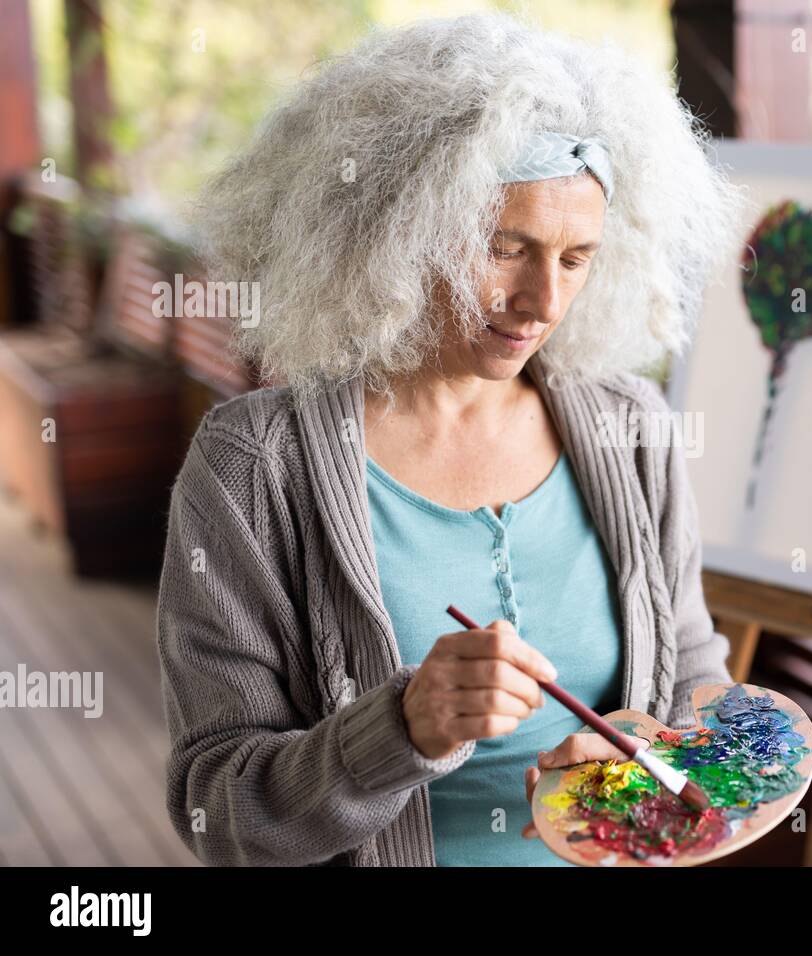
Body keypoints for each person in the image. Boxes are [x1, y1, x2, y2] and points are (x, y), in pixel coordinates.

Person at [155, 12, 749, 866]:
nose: (541, 300)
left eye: (577, 257)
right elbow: (219, 809)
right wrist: (399, 729)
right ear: (398, 230)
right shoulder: (254, 469)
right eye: (506, 247)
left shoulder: (632, 430)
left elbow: (694, 670)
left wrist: (645, 763)